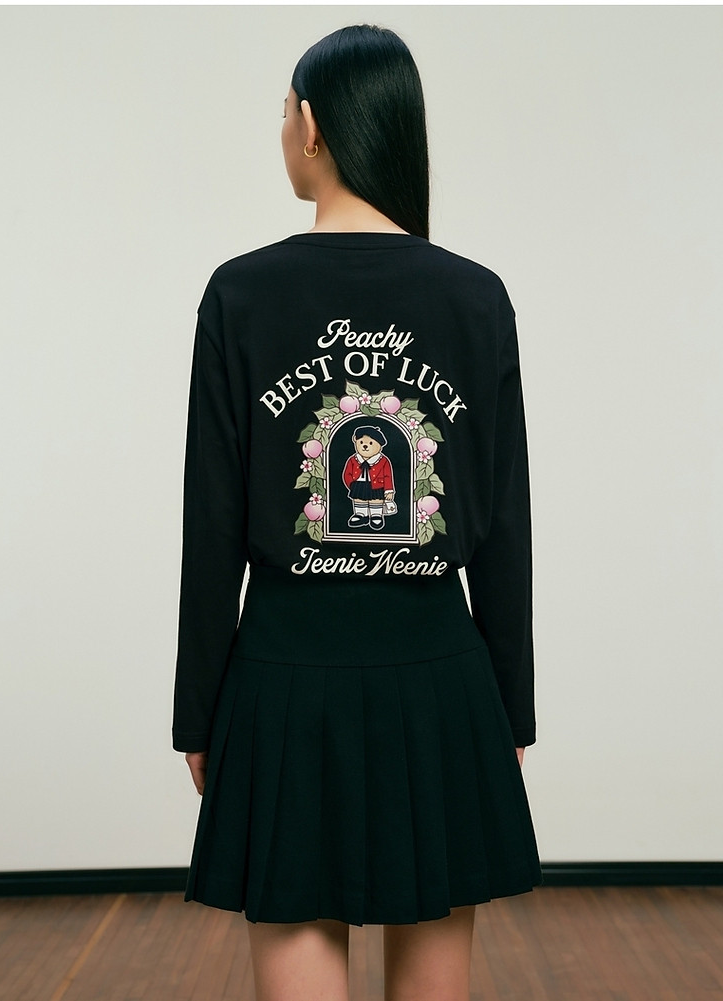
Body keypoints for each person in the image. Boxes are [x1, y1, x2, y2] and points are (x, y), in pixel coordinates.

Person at [172, 23, 542, 1001]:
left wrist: (198, 711)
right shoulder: (476, 298)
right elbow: (504, 525)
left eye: (280, 115)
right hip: (443, 679)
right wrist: (509, 706)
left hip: (281, 680)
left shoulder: (240, 293)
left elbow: (210, 527)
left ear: (310, 124)